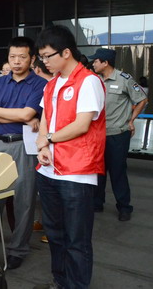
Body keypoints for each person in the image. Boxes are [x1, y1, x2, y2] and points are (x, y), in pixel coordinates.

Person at [34, 26, 106, 289]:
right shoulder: (51, 83)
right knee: (55, 234)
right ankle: (60, 281)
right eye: (41, 57)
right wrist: (43, 144)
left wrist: (49, 138)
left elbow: (82, 125)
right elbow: (45, 117)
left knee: (77, 239)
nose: (44, 61)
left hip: (77, 171)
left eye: (48, 56)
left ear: (65, 52)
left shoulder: (88, 81)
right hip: (48, 169)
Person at [0, 37, 48, 270]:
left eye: (22, 57)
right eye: (12, 57)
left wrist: (2, 112)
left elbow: (26, 114)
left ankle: (18, 249)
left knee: (24, 200)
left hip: (24, 146)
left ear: (32, 59)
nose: (17, 61)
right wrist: (21, 116)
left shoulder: (40, 84)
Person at [89, 48, 147, 221]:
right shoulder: (94, 80)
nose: (93, 64)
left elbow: (142, 99)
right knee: (98, 171)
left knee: (117, 172)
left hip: (117, 134)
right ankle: (97, 203)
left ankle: (124, 207)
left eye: (96, 61)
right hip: (98, 134)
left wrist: (131, 120)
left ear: (105, 63)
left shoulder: (124, 79)